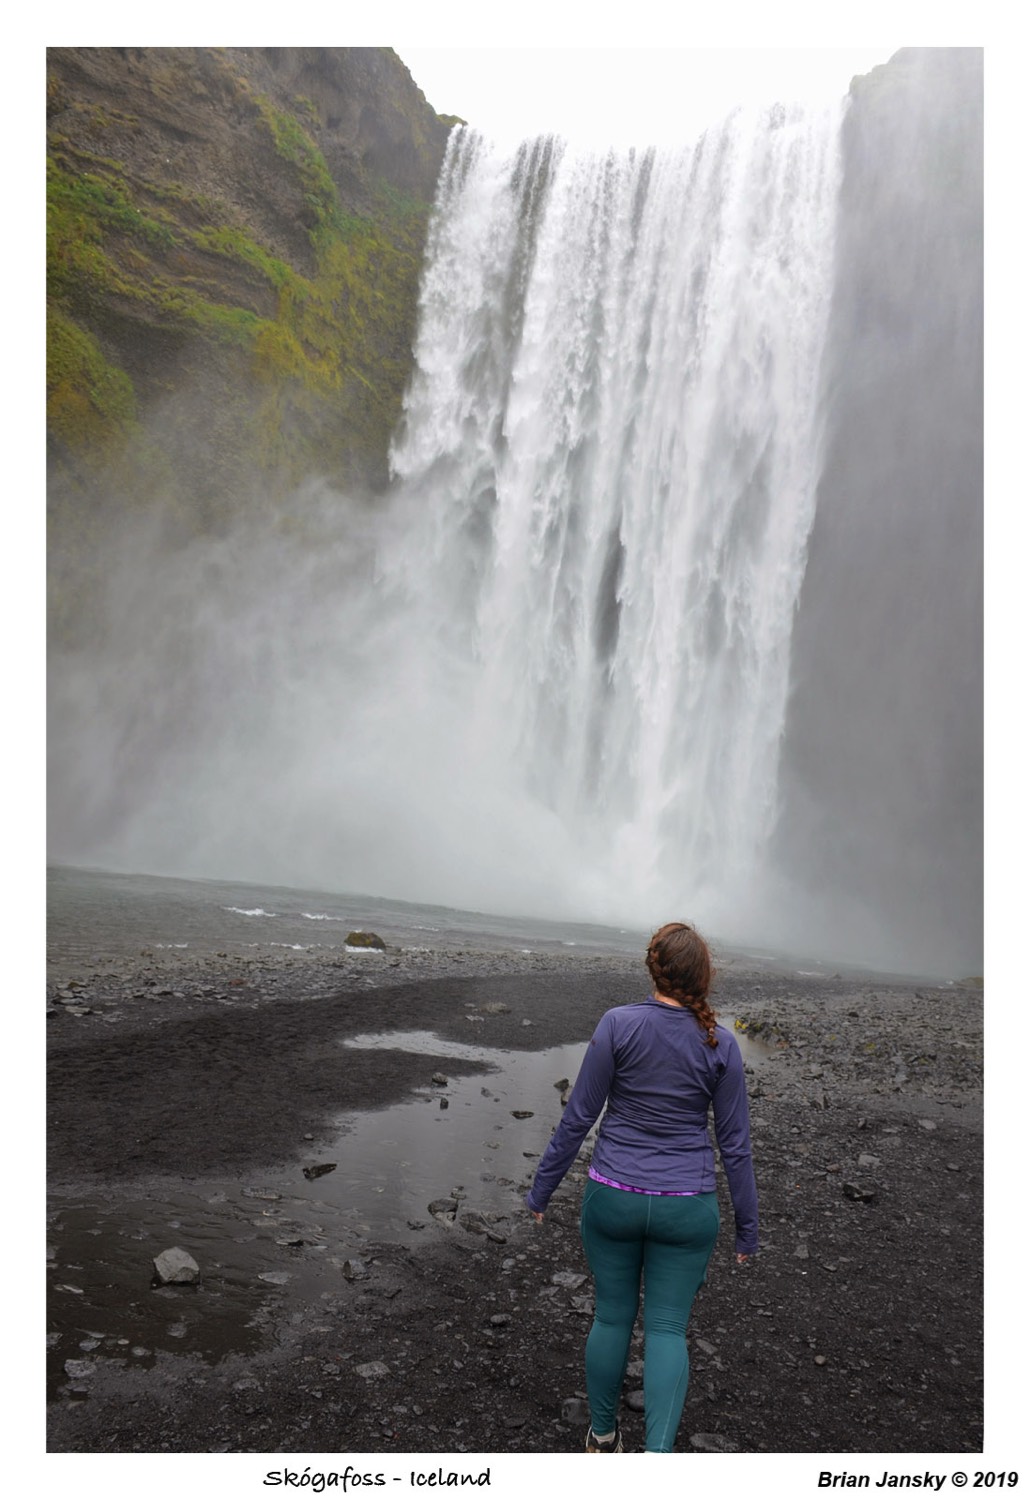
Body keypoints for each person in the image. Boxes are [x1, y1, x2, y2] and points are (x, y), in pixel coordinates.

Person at [525, 920, 758, 1454]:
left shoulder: (617, 1024)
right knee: (668, 1330)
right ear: (703, 977)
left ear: (654, 968)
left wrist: (542, 1190)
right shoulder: (721, 1043)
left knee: (611, 1317)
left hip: (613, 1196)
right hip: (687, 1208)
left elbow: (578, 1118)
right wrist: (747, 1229)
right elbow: (736, 1146)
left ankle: (603, 1437)